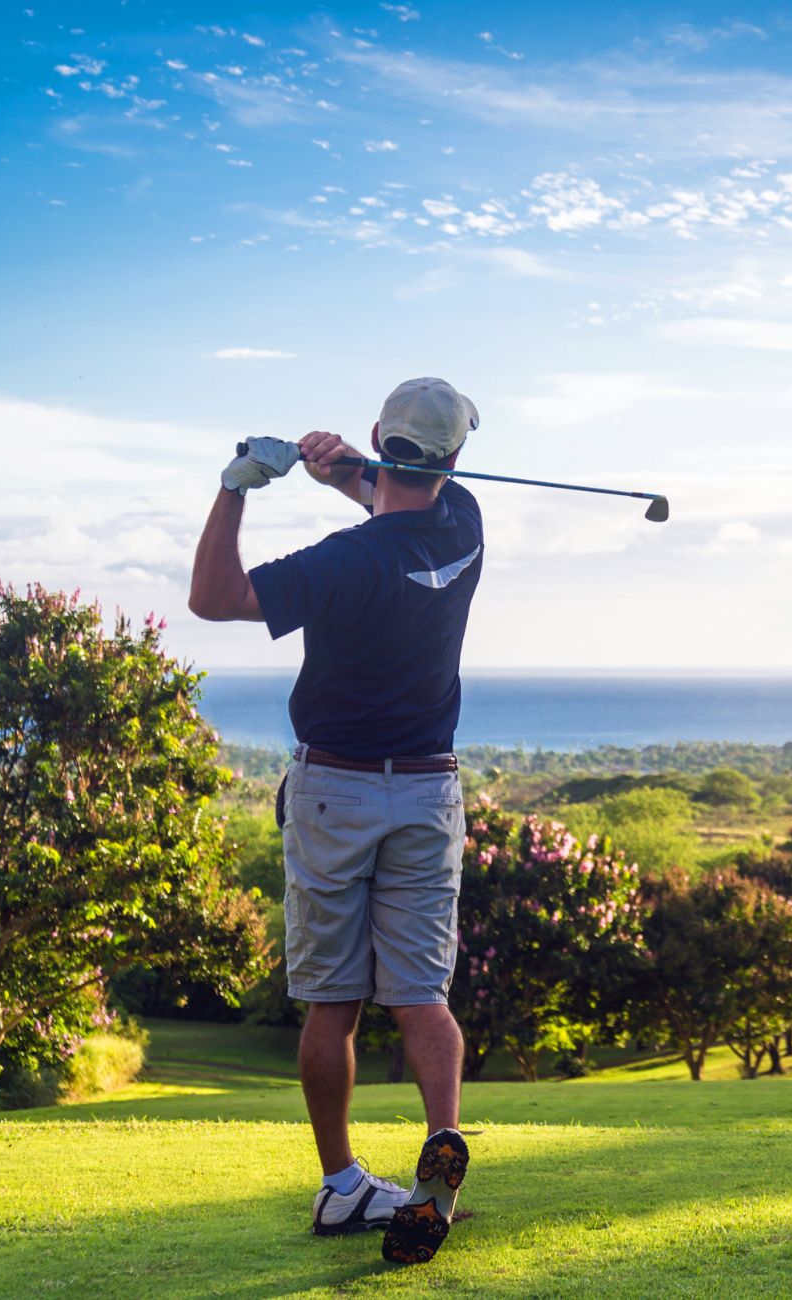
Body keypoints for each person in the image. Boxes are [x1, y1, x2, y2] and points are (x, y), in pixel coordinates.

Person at [187, 377, 484, 1266]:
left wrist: (238, 483)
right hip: (429, 791)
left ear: (378, 437)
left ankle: (343, 1187)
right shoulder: (466, 523)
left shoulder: (340, 564)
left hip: (336, 791)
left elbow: (214, 597)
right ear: (456, 458)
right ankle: (439, 1157)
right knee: (421, 996)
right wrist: (340, 472)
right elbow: (393, 493)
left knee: (334, 1001)